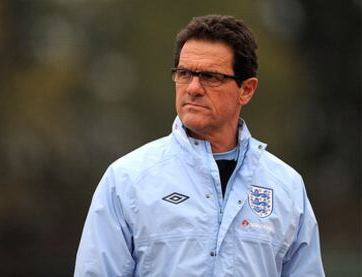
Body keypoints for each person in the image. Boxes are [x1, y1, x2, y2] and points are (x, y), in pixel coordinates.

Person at [74, 14, 325, 276]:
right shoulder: (126, 181)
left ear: (246, 89)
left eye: (210, 76)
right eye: (184, 73)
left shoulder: (287, 187)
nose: (193, 88)